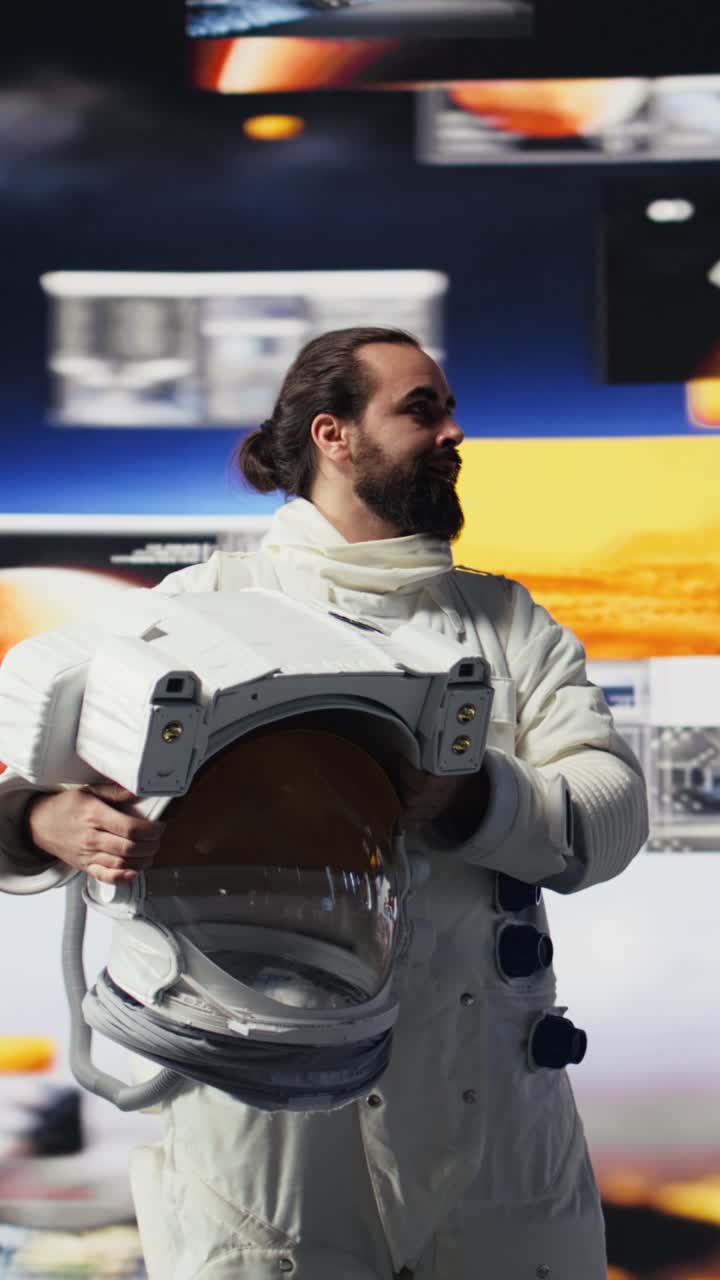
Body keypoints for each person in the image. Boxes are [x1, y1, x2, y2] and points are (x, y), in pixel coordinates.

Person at [0, 326, 648, 1279]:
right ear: (333, 435)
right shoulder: (196, 610)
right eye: (421, 409)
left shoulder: (508, 625)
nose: (452, 431)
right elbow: (26, 786)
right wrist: (42, 822)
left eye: (447, 408)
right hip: (261, 1122)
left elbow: (613, 812)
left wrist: (473, 797)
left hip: (483, 1111)